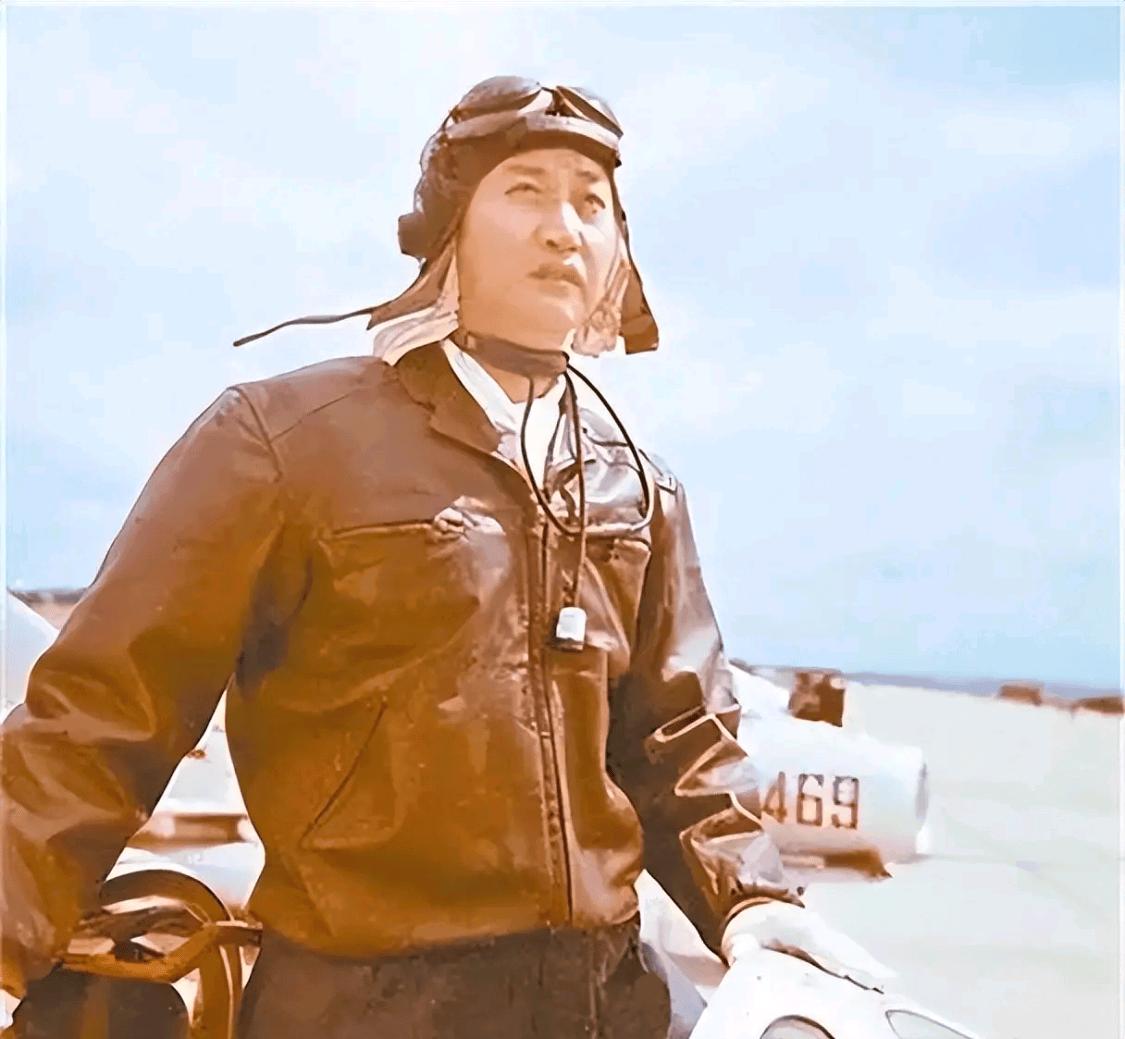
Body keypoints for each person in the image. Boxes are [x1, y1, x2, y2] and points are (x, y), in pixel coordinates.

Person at [1, 76, 887, 1038]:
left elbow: (678, 736)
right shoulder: (281, 441)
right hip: (365, 1000)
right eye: (526, 191)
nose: (564, 229)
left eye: (591, 203)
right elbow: (104, 709)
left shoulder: (638, 485)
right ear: (447, 227)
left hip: (604, 996)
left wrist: (750, 900)